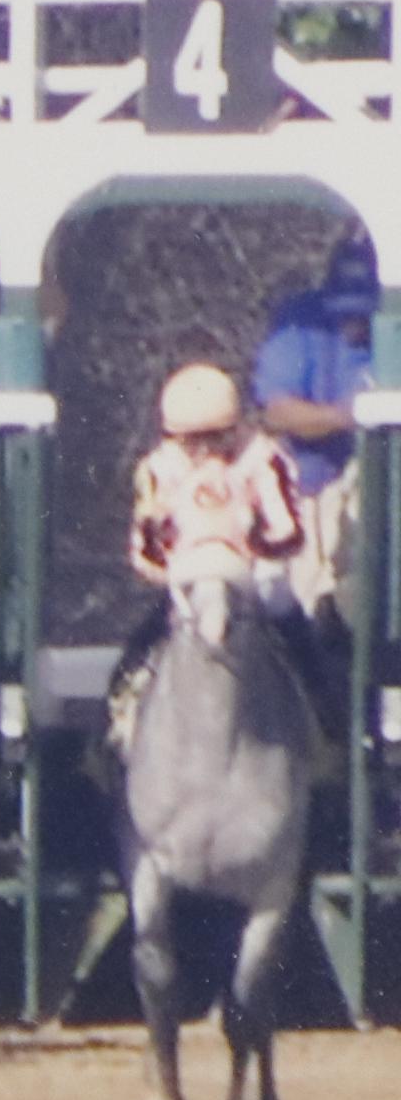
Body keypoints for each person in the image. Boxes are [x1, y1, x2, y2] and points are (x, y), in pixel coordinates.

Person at [107, 362, 334, 752]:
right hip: (191, 574)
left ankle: (328, 726)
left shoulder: (263, 458)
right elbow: (145, 545)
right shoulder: (159, 468)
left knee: (294, 626)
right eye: (191, 441)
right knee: (139, 647)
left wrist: (250, 545)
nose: (204, 451)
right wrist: (175, 565)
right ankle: (116, 726)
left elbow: (289, 531)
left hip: (257, 573)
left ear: (233, 429)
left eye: (213, 439)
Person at [254, 230, 379, 618]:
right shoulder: (301, 322)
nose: (353, 324)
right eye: (345, 311)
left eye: (363, 312)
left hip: (378, 501)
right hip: (310, 491)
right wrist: (345, 416)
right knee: (292, 605)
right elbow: (278, 409)